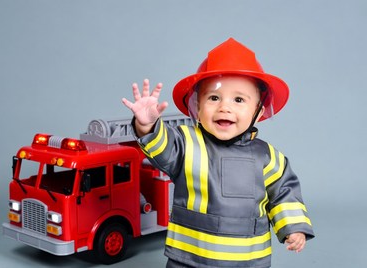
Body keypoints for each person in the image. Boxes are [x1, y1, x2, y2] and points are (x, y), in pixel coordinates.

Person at [122, 37, 314, 268]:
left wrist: (293, 228)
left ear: (258, 111)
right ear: (197, 106)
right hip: (190, 258)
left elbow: (284, 195)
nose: (225, 107)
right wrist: (147, 126)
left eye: (239, 99)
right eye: (213, 97)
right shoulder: (187, 143)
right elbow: (162, 147)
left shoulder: (268, 157)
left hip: (248, 261)